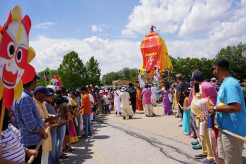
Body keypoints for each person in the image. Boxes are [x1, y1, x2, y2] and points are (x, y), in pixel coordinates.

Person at [209, 59, 246, 164]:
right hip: (224, 129)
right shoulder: (224, 83)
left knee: (232, 161)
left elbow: (236, 107)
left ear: (217, 69)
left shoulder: (230, 84)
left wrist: (215, 108)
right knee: (222, 159)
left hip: (232, 132)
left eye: (213, 68)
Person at [14, 70, 48, 164]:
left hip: (31, 141)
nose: (36, 82)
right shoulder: (24, 98)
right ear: (32, 81)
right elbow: (31, 124)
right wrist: (43, 133)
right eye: (36, 80)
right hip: (31, 142)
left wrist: (42, 123)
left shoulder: (24, 96)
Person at [33, 86, 55, 164]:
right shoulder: (33, 103)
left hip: (46, 134)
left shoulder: (42, 103)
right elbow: (34, 120)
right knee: (42, 158)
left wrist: (53, 117)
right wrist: (45, 122)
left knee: (46, 157)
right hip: (40, 136)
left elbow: (46, 115)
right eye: (45, 95)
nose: (46, 97)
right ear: (38, 94)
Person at [45, 87, 60, 164]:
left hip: (53, 129)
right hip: (49, 130)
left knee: (54, 149)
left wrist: (56, 117)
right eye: (50, 95)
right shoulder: (44, 104)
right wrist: (54, 117)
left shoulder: (49, 103)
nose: (52, 97)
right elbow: (46, 117)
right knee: (51, 151)